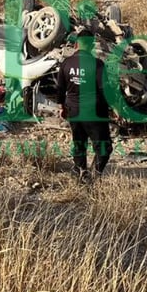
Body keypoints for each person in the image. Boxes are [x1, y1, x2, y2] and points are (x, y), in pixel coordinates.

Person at [56, 29, 112, 183]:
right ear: (91, 46)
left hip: (74, 111)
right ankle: (95, 174)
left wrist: (62, 107)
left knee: (79, 143)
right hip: (94, 112)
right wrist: (115, 109)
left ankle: (81, 171)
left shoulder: (66, 63)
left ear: (76, 45)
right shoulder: (97, 64)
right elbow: (105, 90)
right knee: (104, 147)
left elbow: (60, 89)